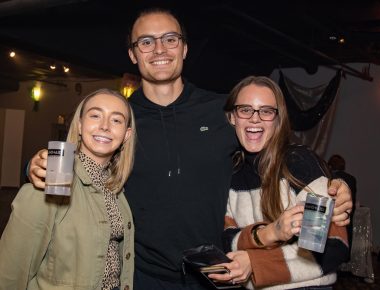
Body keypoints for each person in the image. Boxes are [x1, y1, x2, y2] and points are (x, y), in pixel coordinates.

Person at [28, 8, 352, 290]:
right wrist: (38, 164)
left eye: (170, 39)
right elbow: (81, 160)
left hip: (216, 273)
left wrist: (339, 185)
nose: (159, 49)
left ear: (184, 48)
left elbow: (273, 151)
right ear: (132, 53)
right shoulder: (121, 118)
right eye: (146, 41)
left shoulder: (221, 111)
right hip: (141, 276)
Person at [208, 76, 349, 289]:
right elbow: (228, 238)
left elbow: (332, 248)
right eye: (245, 109)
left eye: (266, 111)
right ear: (231, 117)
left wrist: (256, 262)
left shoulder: (300, 163)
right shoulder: (232, 171)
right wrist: (269, 233)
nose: (255, 119)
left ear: (278, 119)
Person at [0, 89, 135, 290]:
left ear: (126, 134)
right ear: (80, 125)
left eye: (116, 120)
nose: (105, 126)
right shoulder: (51, 180)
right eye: (95, 115)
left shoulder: (116, 187)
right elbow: (9, 274)